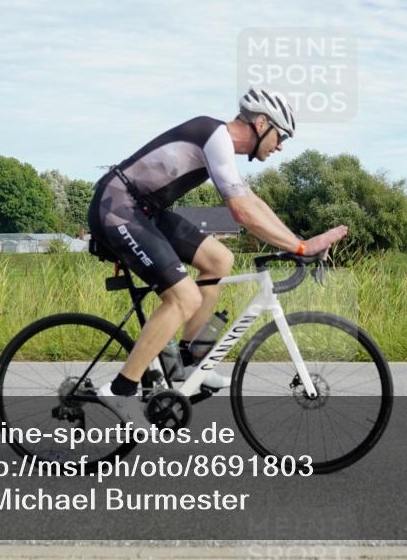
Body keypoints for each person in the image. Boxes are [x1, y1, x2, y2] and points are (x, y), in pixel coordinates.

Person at [87, 86, 348, 425]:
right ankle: (120, 390)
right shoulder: (214, 135)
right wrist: (302, 247)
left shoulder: (219, 146)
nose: (280, 146)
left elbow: (253, 203)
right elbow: (241, 212)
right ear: (261, 123)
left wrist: (297, 241)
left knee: (220, 261)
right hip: (117, 207)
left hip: (145, 210)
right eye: (280, 136)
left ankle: (186, 360)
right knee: (184, 297)